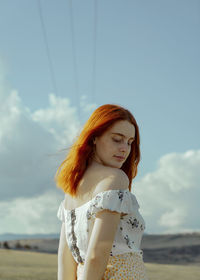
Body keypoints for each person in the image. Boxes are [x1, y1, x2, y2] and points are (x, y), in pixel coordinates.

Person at [56, 104, 148, 280]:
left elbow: (66, 260)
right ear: (94, 137)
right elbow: (97, 253)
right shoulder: (115, 179)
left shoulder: (72, 189)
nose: (125, 149)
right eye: (117, 139)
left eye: (130, 142)